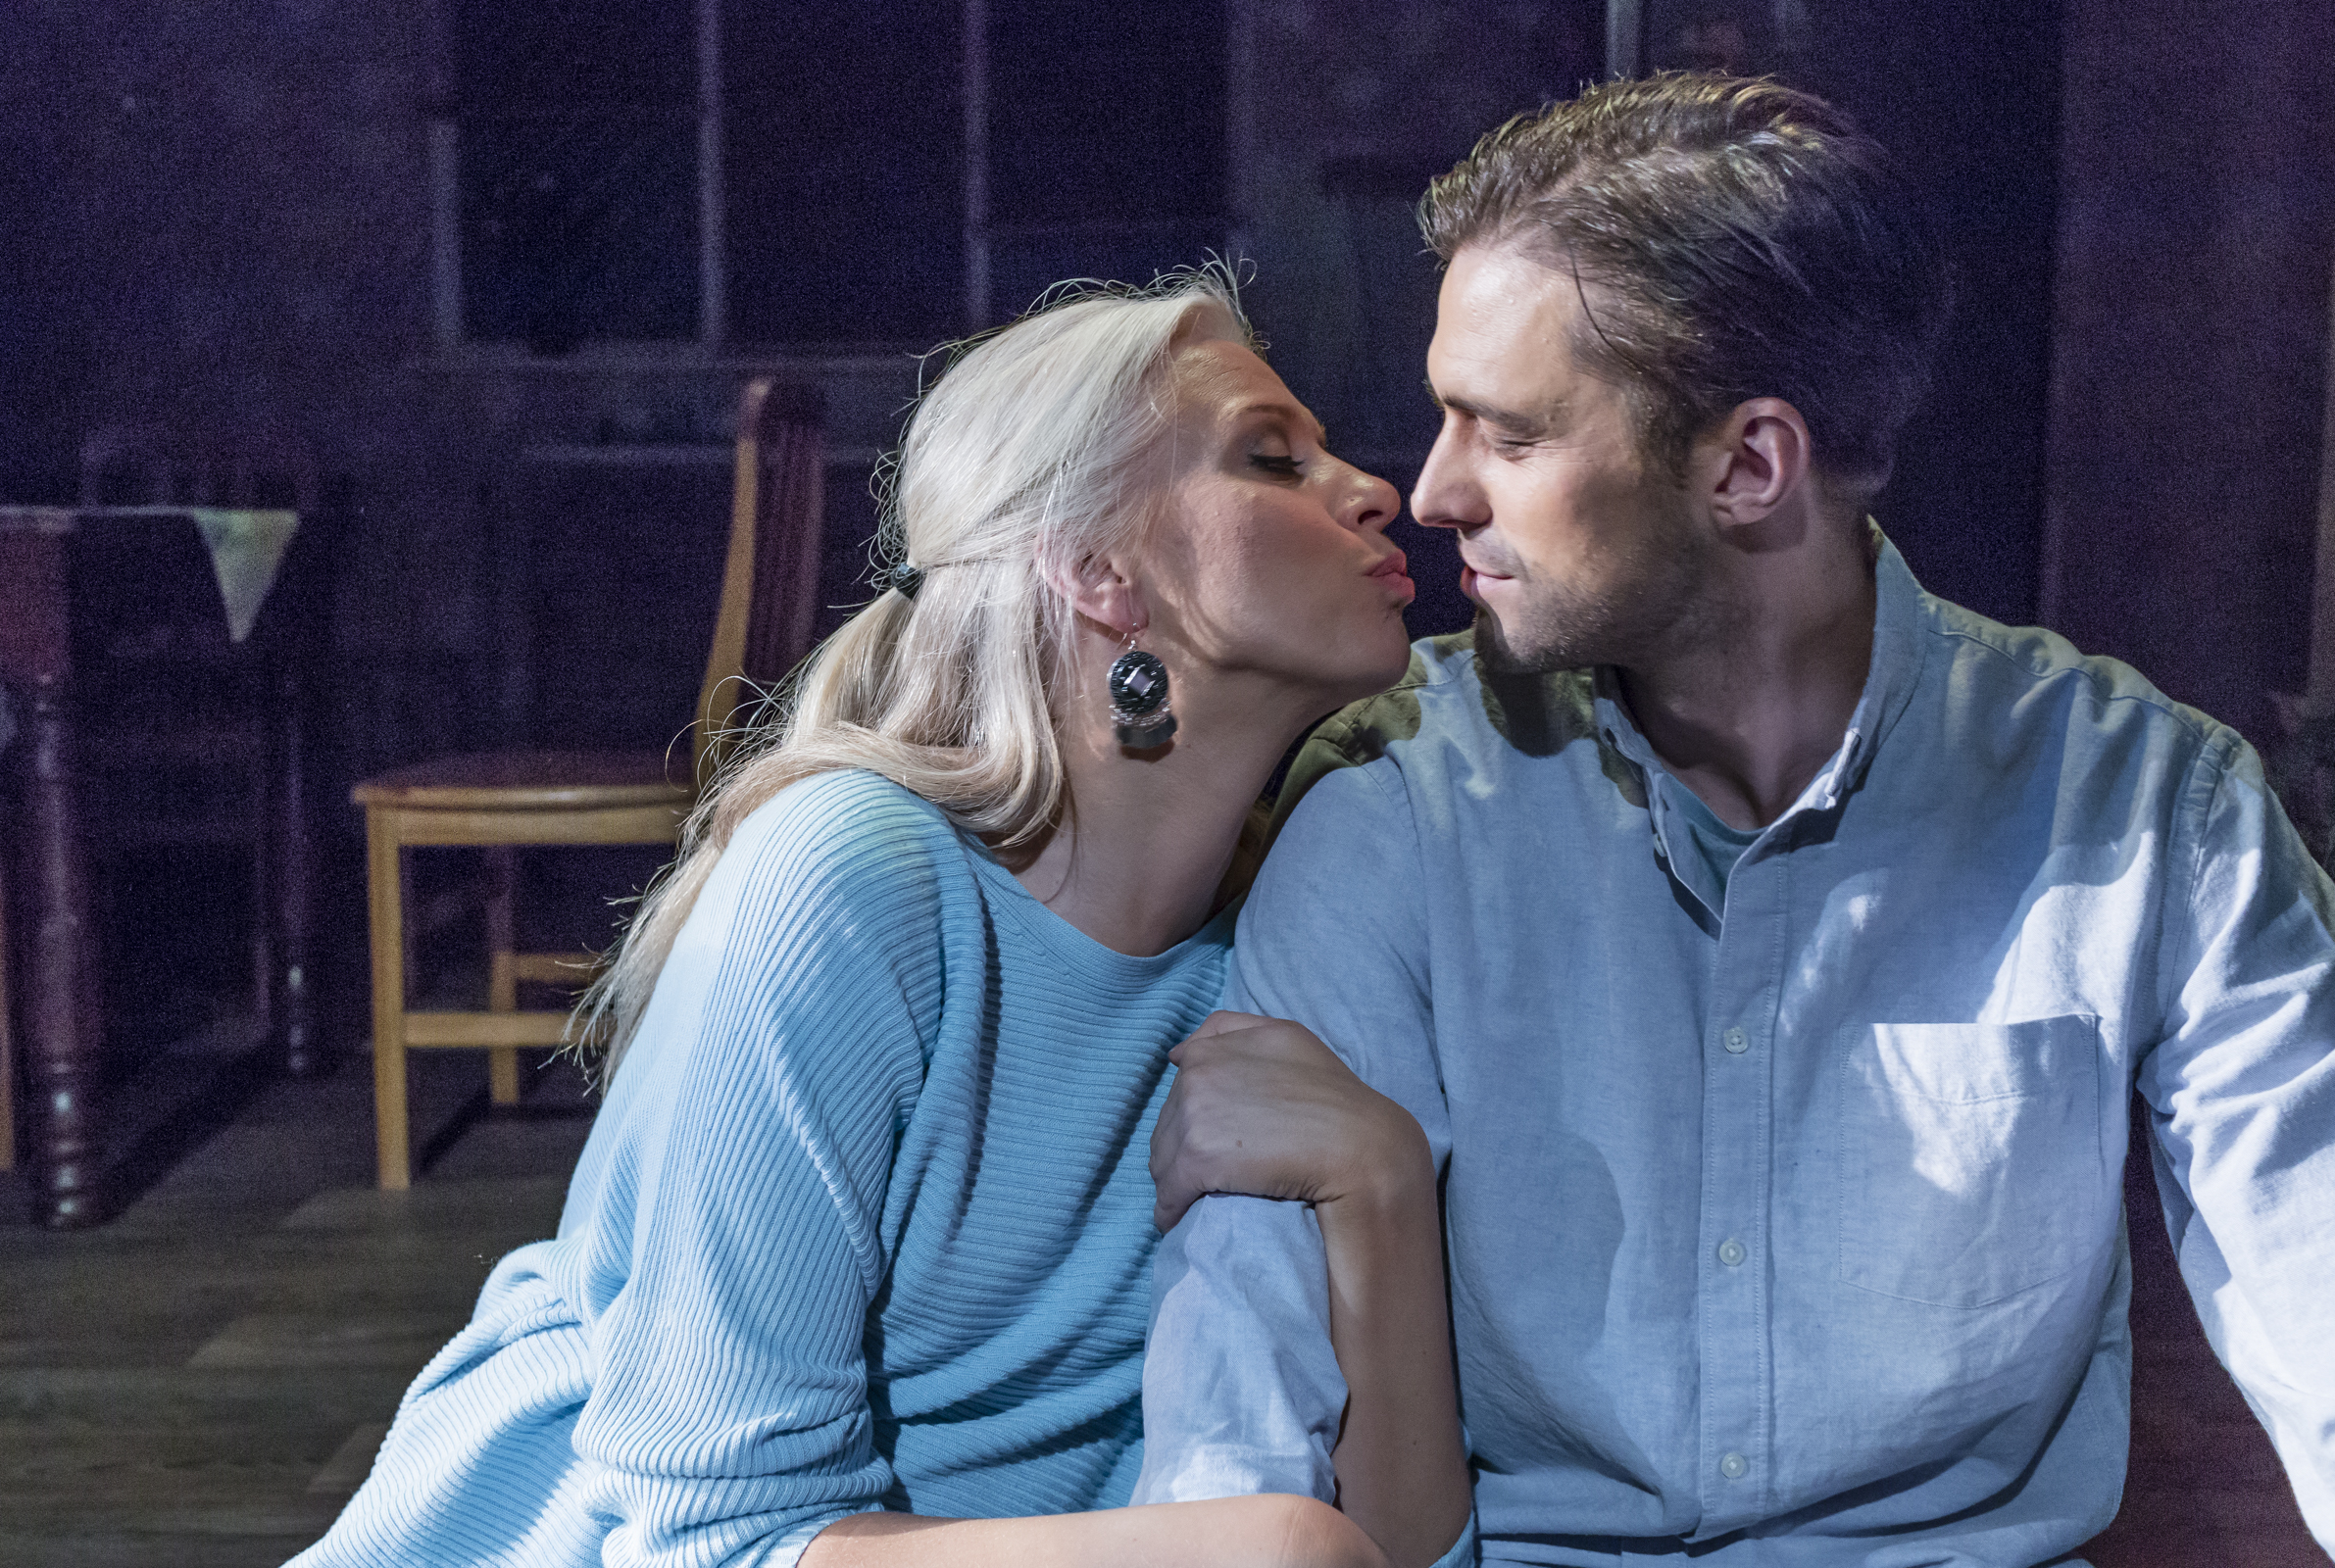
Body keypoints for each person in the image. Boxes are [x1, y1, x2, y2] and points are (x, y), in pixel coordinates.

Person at [1136, 74, 2335, 1566]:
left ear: (1748, 467)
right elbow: (1241, 1402)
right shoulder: (1396, 805)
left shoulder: (2147, 811)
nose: (1434, 490)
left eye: (1507, 434)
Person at [289, 272, 1464, 1568]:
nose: (1378, 490)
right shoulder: (850, 884)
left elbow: (1412, 1554)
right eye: (1272, 459)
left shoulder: (1301, 925)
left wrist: (1380, 1183)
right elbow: (709, 1540)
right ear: (1098, 571)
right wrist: (1269, 1547)